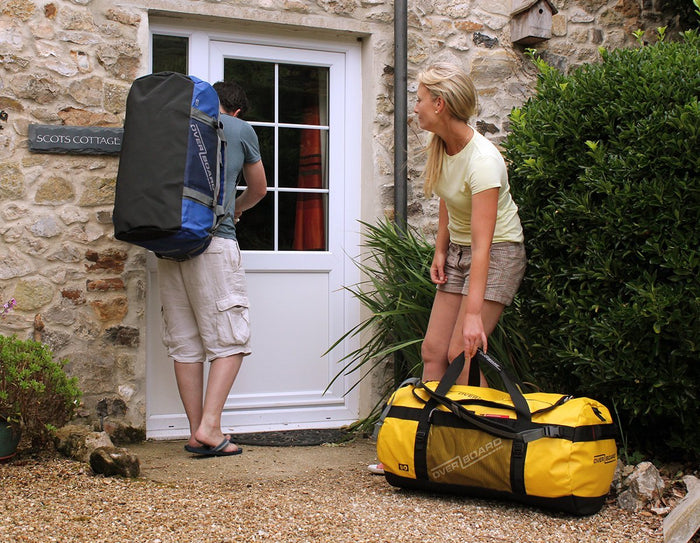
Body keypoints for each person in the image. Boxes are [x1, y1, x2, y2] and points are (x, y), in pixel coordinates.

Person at [369, 62, 526, 474]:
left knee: (464, 352)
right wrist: (440, 250)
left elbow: (484, 246)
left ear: (439, 104)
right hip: (459, 249)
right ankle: (425, 449)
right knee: (434, 351)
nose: (415, 107)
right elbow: (447, 199)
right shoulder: (442, 145)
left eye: (420, 99)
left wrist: (472, 315)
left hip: (497, 253)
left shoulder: (484, 161)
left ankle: (488, 447)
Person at [157, 80, 267, 457]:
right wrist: (236, 210)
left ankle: (195, 433)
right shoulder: (239, 128)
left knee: (185, 345)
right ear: (236, 110)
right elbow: (259, 189)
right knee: (231, 341)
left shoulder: (177, 123)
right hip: (214, 241)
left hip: (170, 245)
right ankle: (211, 427)